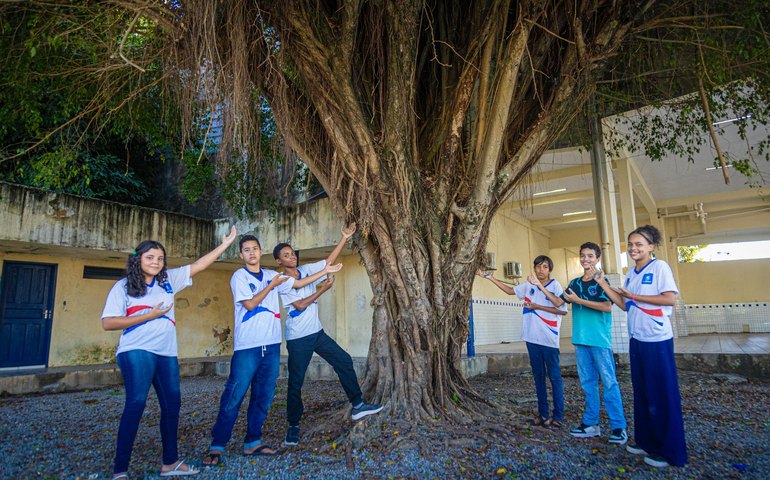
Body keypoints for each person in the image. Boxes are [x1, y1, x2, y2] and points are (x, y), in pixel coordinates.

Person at [101, 226, 238, 479]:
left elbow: (199, 265)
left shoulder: (167, 282)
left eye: (160, 258)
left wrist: (225, 245)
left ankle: (170, 463)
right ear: (138, 259)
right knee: (136, 403)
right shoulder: (123, 286)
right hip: (136, 350)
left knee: (172, 405)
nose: (156, 262)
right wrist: (149, 315)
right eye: (150, 257)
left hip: (166, 353)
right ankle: (120, 470)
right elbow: (108, 323)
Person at [203, 234, 342, 467]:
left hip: (272, 345)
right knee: (234, 395)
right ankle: (217, 445)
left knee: (264, 395)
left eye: (255, 249)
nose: (251, 253)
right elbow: (250, 304)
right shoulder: (240, 276)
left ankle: (253, 442)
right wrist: (271, 286)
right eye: (247, 250)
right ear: (241, 255)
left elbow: (298, 284)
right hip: (248, 346)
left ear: (260, 252)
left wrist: (325, 271)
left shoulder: (272, 275)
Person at [273, 223, 383, 447]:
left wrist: (344, 238)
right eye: (286, 255)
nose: (291, 257)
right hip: (298, 338)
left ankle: (358, 405)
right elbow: (300, 304)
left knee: (344, 360)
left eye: (292, 253)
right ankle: (293, 425)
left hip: (316, 333)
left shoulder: (305, 270)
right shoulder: (282, 281)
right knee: (295, 382)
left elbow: (328, 262)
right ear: (279, 261)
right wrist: (322, 289)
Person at [594, 225, 687, 468]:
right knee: (643, 393)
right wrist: (603, 283)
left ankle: (670, 451)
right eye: (630, 244)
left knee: (661, 394)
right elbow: (625, 305)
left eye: (639, 244)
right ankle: (647, 441)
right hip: (637, 340)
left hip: (657, 340)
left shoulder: (659, 267)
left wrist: (634, 296)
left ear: (651, 246)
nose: (633, 248)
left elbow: (669, 299)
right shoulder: (631, 273)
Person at [478, 255, 568, 429]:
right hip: (532, 338)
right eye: (538, 267)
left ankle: (558, 416)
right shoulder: (528, 285)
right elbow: (510, 291)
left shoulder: (554, 285)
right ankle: (543, 415)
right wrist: (490, 278)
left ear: (550, 269)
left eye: (544, 267)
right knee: (538, 377)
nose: (541, 270)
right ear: (534, 268)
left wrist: (537, 304)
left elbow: (562, 309)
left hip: (548, 339)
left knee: (555, 377)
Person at [562, 242, 627, 445]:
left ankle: (619, 427)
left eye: (590, 256)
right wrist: (538, 286)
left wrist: (579, 301)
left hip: (599, 340)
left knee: (609, 382)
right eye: (583, 255)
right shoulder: (575, 283)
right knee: (588, 383)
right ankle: (591, 424)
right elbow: (559, 301)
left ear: (597, 259)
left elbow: (607, 307)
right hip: (580, 340)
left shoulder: (602, 281)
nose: (586, 259)